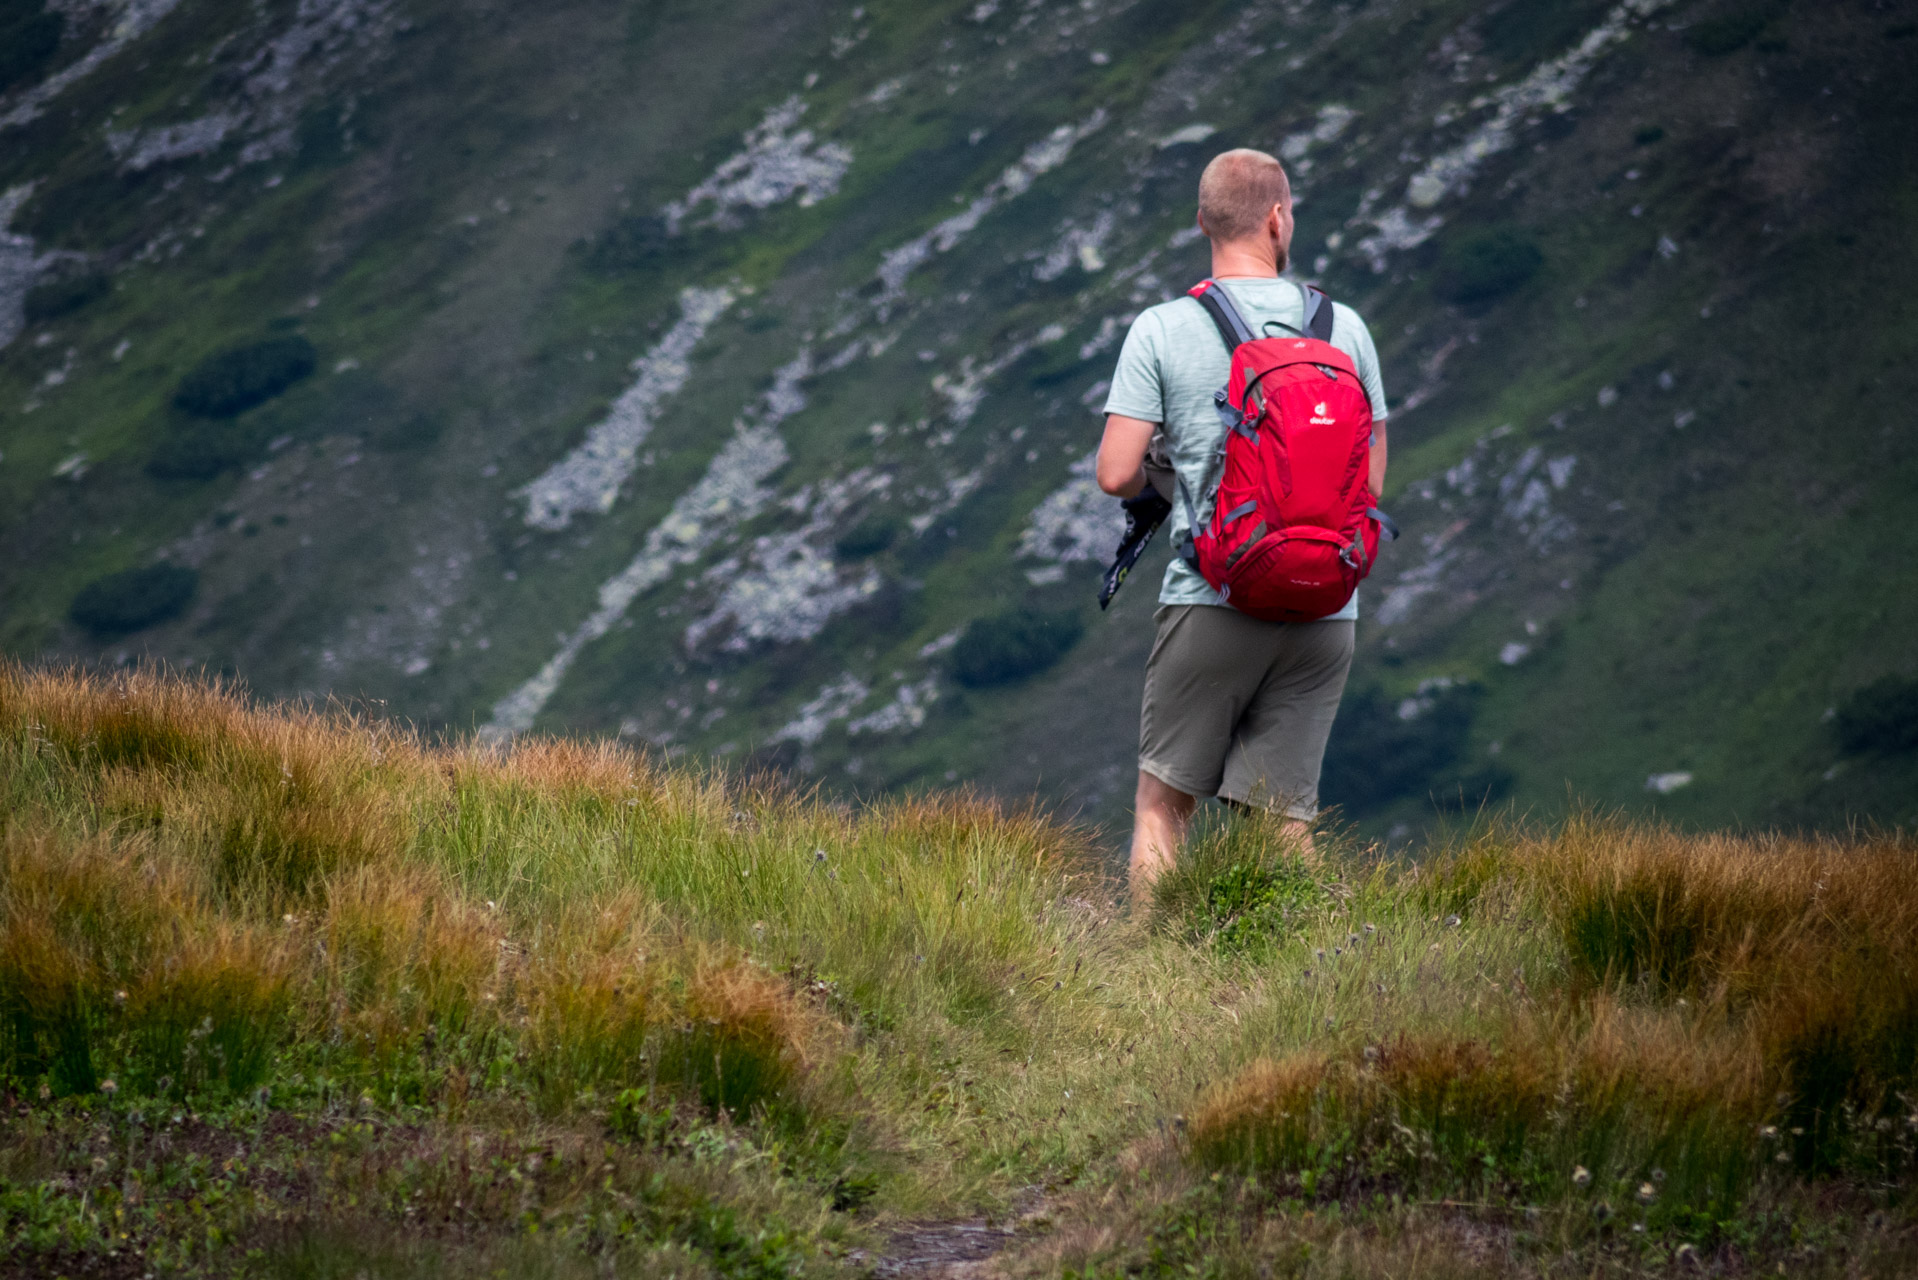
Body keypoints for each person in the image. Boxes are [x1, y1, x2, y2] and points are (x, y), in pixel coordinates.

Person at [1095, 147, 1390, 907]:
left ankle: (1147, 980)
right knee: (1283, 822)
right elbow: (1371, 481)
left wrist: (1174, 472)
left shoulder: (1163, 328)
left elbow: (1115, 472)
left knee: (1164, 809)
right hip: (1327, 606)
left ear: (1202, 223)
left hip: (1214, 595)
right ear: (1278, 217)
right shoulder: (1343, 328)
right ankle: (1315, 980)